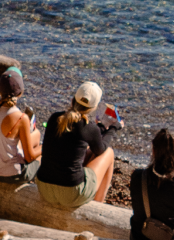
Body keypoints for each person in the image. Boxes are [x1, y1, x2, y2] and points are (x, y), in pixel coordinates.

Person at [36, 80, 118, 208]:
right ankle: (98, 208)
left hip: (44, 188)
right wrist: (113, 129)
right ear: (94, 108)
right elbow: (101, 149)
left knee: (88, 151)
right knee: (109, 153)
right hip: (70, 193)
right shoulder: (88, 128)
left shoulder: (54, 118)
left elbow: (83, 135)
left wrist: (101, 127)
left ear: (72, 100)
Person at [0, 67, 41, 184]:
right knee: (40, 157)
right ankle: (35, 184)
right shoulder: (21, 118)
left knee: (36, 134)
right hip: (10, 176)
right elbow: (30, 157)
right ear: (20, 93)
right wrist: (45, 147)